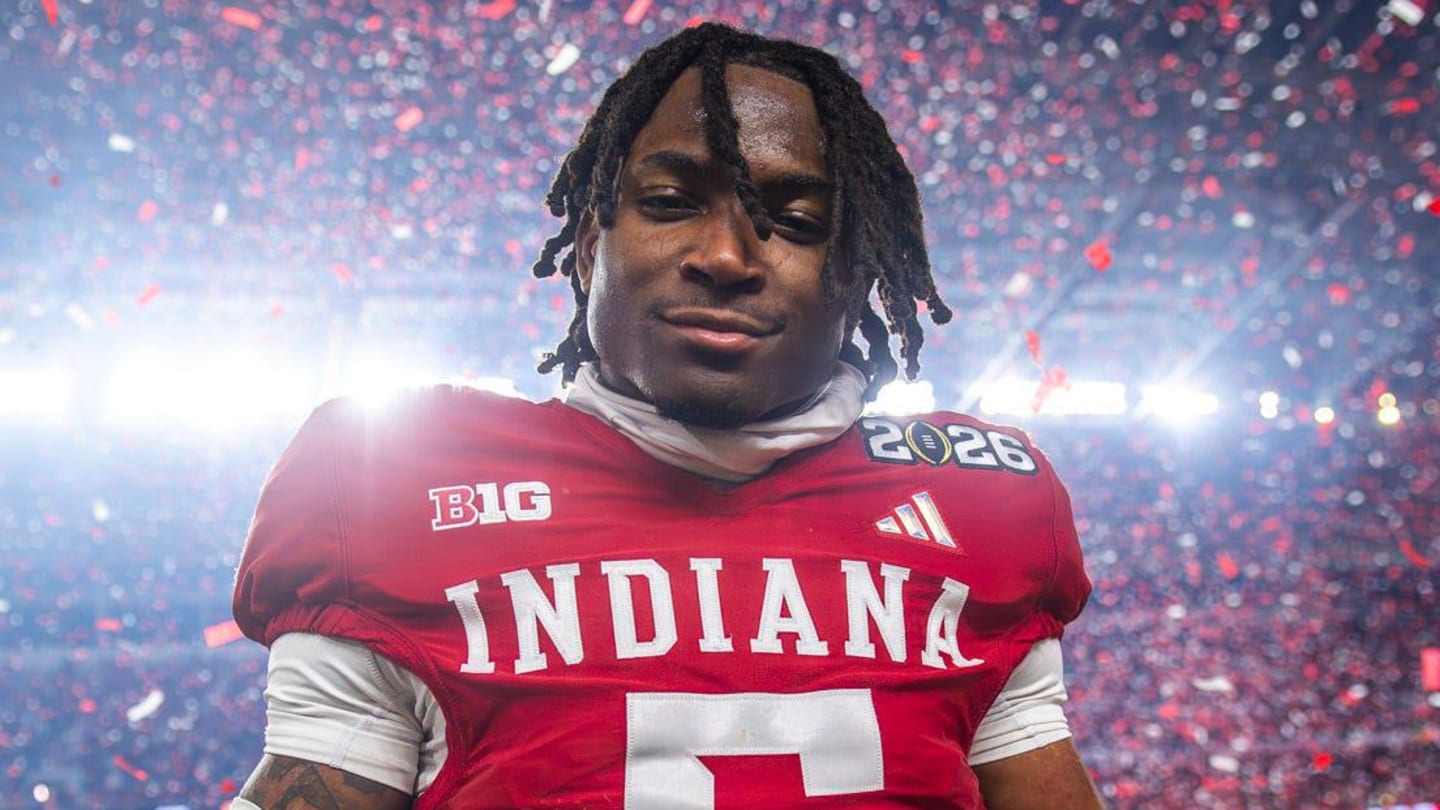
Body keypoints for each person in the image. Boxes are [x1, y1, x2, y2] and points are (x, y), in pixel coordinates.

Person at [231, 22, 1103, 810]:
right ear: (587, 245)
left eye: (794, 223)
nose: (725, 256)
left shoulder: (980, 499)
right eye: (671, 203)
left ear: (860, 271)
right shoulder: (392, 480)